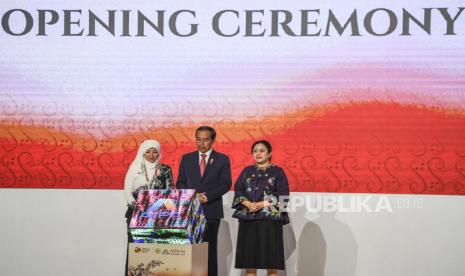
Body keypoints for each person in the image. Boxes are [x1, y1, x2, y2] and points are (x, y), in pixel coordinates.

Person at [176, 126, 232, 276]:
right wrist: (191, 196)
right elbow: (180, 183)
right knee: (189, 251)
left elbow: (225, 184)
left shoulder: (222, 159)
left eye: (205, 140)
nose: (201, 143)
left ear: (213, 141)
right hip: (189, 212)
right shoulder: (186, 158)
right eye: (198, 139)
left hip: (211, 212)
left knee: (209, 251)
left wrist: (207, 196)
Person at [232, 140, 290, 276]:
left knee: (271, 261)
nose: (258, 153)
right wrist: (247, 203)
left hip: (270, 219)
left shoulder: (278, 172)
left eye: (262, 150)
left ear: (269, 153)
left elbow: (283, 195)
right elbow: (238, 189)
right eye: (255, 151)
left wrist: (261, 204)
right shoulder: (247, 171)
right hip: (248, 218)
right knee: (249, 261)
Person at [124, 139, 174, 275]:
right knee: (135, 248)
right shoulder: (135, 168)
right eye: (148, 152)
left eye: (154, 152)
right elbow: (128, 191)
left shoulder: (165, 169)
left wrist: (168, 213)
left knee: (154, 251)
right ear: (142, 152)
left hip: (157, 217)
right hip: (136, 214)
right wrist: (137, 207)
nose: (151, 155)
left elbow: (170, 193)